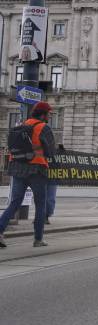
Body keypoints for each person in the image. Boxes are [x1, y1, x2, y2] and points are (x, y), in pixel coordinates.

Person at [0, 102, 57, 248]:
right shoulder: (43, 128)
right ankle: (38, 239)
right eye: (49, 113)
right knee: (40, 205)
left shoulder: (19, 126)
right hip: (37, 169)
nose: (50, 116)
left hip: (17, 168)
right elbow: (50, 153)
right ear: (43, 114)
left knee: (15, 203)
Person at [45, 144, 65, 225]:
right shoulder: (44, 151)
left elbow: (62, 162)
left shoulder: (57, 156)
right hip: (42, 176)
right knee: (41, 197)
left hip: (53, 178)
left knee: (50, 198)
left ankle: (46, 215)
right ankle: (40, 216)